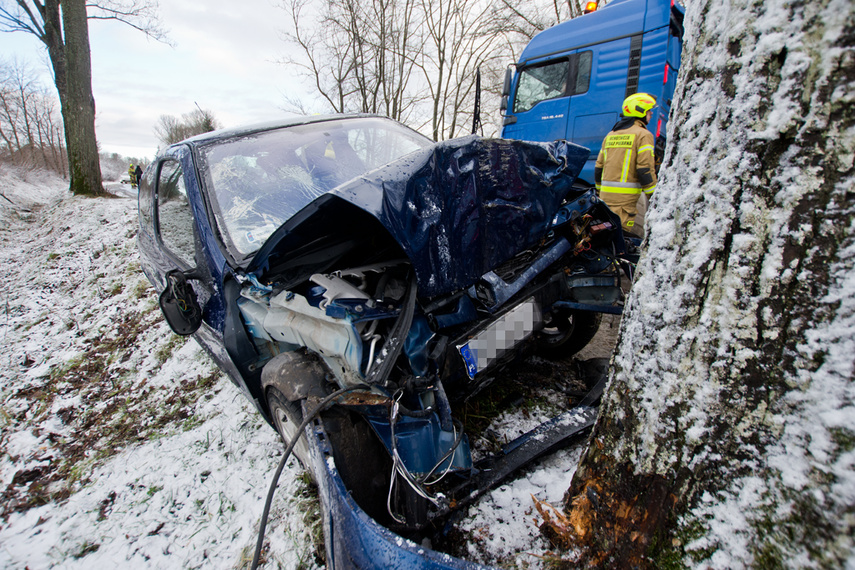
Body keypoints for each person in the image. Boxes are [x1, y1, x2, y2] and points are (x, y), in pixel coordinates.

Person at [594, 92, 658, 238]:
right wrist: (654, 197)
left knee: (607, 239)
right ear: (640, 111)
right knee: (623, 241)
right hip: (625, 205)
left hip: (605, 201)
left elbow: (598, 169)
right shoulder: (643, 135)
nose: (651, 114)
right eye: (649, 111)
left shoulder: (610, 135)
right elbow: (644, 170)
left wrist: (599, 192)